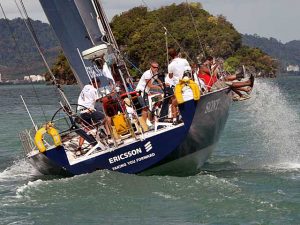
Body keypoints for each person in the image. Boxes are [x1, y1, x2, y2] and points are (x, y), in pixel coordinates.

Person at [76, 77, 111, 156]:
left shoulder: (85, 87)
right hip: (89, 111)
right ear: (96, 83)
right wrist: (110, 95)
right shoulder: (94, 90)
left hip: (82, 112)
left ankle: (79, 148)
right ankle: (109, 135)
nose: (99, 86)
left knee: (86, 129)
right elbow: (101, 100)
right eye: (99, 84)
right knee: (107, 118)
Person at [166, 48, 191, 125]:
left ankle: (174, 120)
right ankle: (181, 116)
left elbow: (170, 77)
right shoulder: (184, 61)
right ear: (177, 53)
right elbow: (189, 70)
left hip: (179, 86)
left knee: (174, 103)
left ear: (170, 56)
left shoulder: (170, 65)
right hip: (188, 84)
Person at [135, 61, 162, 126]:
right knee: (145, 108)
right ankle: (144, 125)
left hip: (146, 92)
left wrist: (162, 84)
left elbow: (157, 79)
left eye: (157, 67)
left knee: (160, 98)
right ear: (151, 67)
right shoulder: (147, 73)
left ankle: (152, 119)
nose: (156, 68)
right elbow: (149, 85)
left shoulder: (155, 73)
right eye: (154, 67)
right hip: (140, 91)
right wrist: (159, 87)